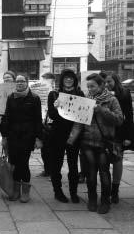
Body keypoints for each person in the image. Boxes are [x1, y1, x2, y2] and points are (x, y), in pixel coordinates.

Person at [67, 73, 123, 214]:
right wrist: (71, 139)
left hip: (104, 143)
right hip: (87, 142)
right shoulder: (85, 100)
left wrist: (101, 110)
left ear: (101, 85)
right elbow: (78, 122)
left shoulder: (111, 100)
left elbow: (119, 119)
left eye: (93, 86)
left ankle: (105, 201)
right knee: (90, 173)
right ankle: (92, 199)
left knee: (104, 173)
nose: (90, 89)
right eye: (88, 86)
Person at [0, 74, 43, 202]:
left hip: (27, 136)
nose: (19, 83)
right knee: (13, 163)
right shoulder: (11, 97)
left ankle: (25, 192)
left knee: (23, 164)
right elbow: (7, 118)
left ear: (27, 82)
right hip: (13, 136)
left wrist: (38, 138)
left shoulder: (34, 98)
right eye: (17, 81)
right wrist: (5, 136)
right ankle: (15, 191)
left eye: (22, 81)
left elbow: (37, 120)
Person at [48, 69, 84, 203]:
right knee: (56, 165)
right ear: (61, 80)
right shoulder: (54, 94)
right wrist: (58, 106)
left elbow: (82, 114)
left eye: (71, 78)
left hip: (74, 134)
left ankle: (73, 193)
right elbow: (52, 115)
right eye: (66, 78)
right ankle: (58, 192)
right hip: (57, 134)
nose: (69, 80)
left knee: (73, 165)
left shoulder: (80, 94)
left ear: (74, 80)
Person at [102, 72, 133, 204]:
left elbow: (129, 117)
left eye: (110, 81)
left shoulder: (124, 94)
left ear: (116, 81)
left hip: (119, 133)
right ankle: (107, 188)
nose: (107, 84)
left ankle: (115, 190)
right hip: (105, 132)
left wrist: (128, 136)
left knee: (117, 160)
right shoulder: (102, 94)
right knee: (104, 161)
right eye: (105, 82)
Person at [38, 72, 56, 177]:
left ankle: (52, 171)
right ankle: (47, 170)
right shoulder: (41, 91)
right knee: (44, 149)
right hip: (43, 122)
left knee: (51, 150)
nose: (42, 82)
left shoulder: (55, 92)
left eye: (44, 79)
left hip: (51, 124)